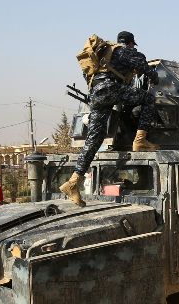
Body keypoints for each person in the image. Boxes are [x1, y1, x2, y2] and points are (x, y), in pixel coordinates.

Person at [60, 30, 160, 207]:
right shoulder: (125, 51)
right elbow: (146, 69)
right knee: (148, 98)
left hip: (97, 94)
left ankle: (73, 183)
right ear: (130, 43)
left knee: (94, 140)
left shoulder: (106, 54)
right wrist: (154, 76)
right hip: (111, 89)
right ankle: (140, 140)